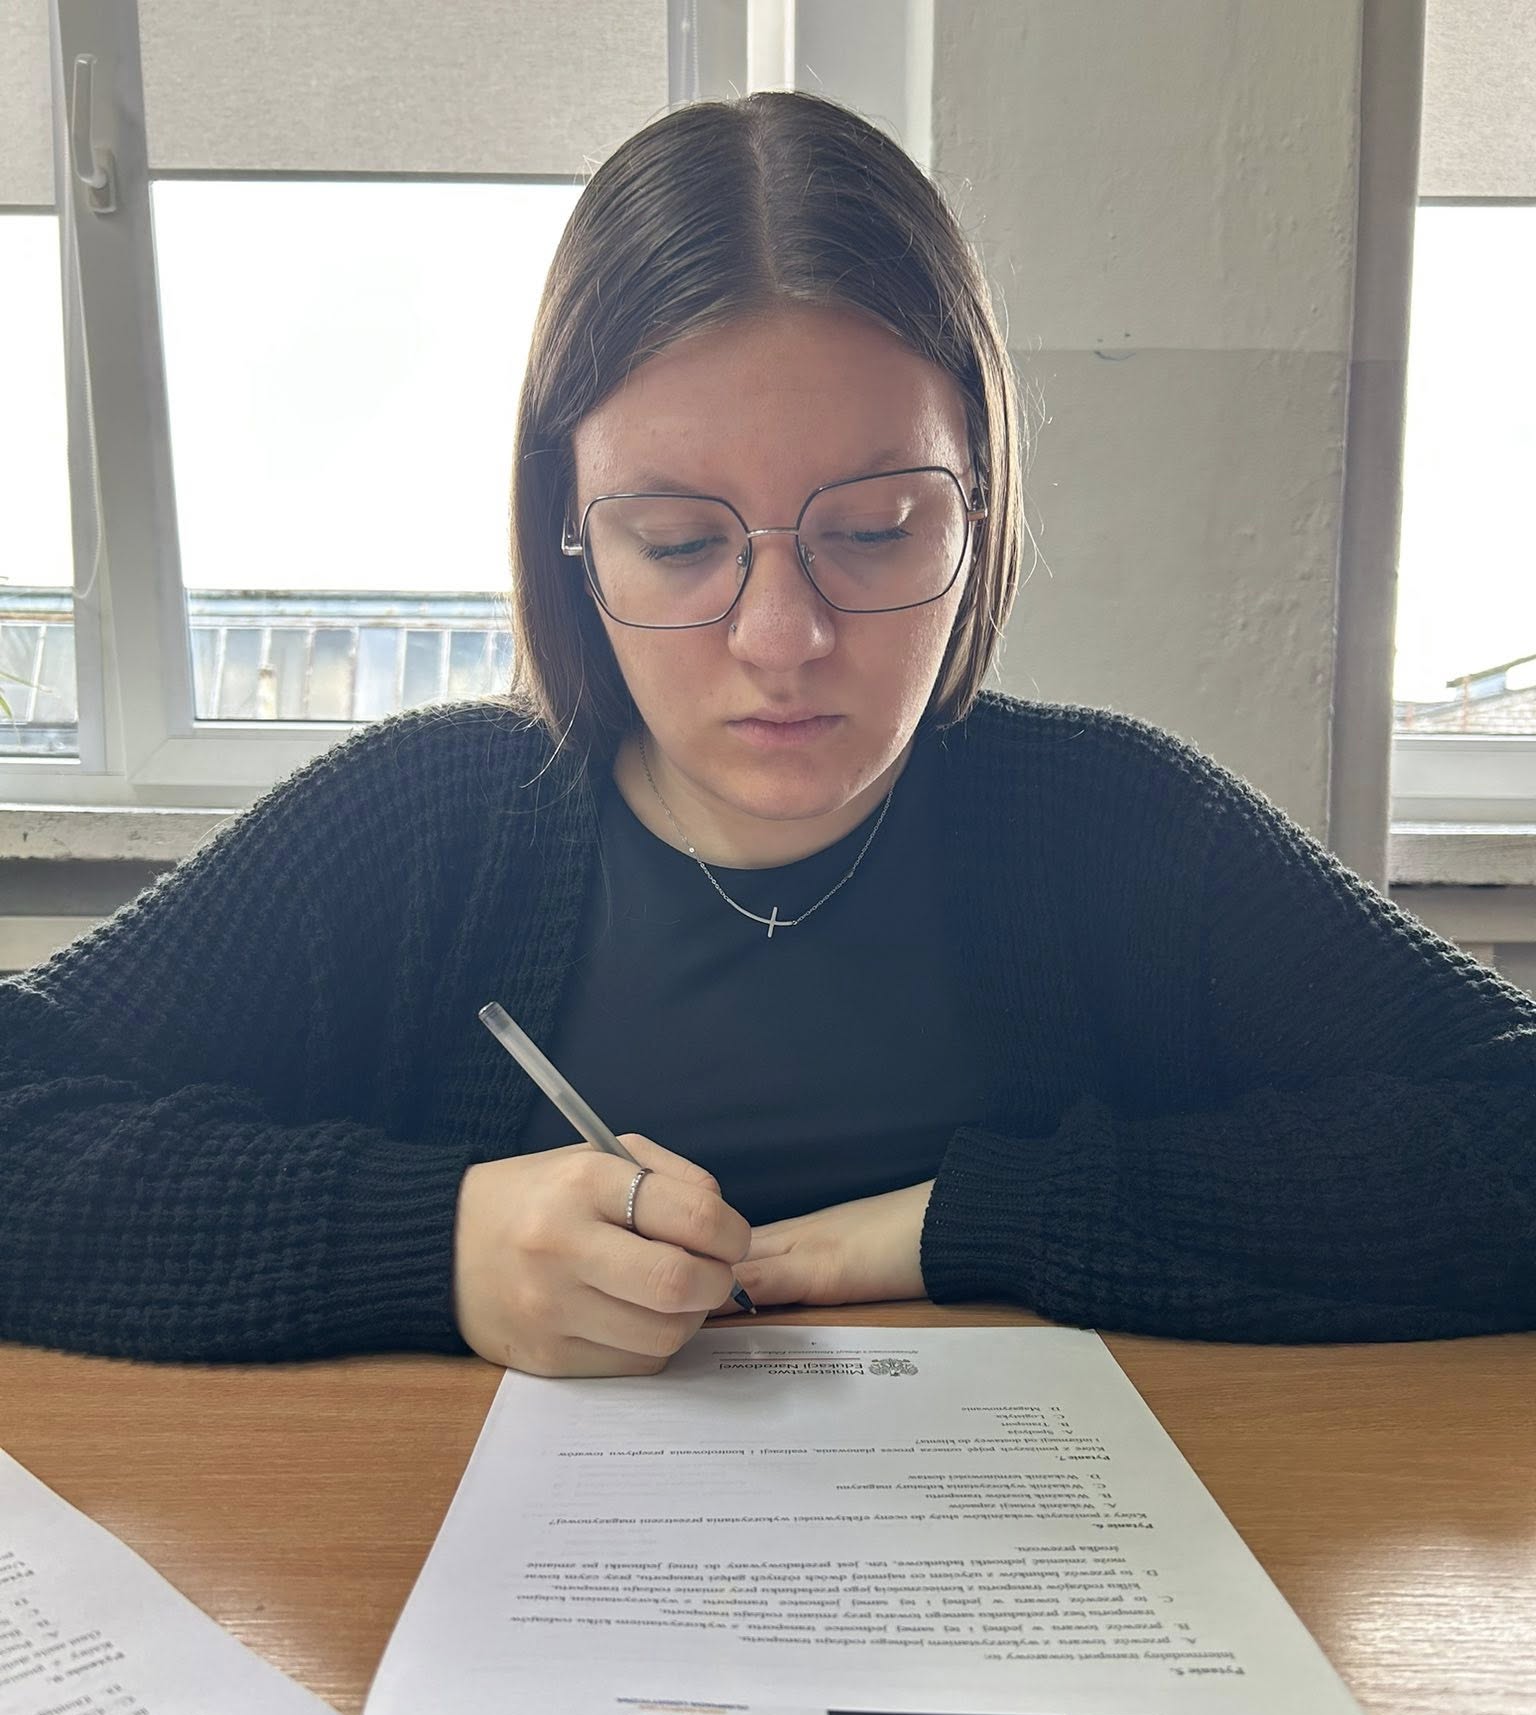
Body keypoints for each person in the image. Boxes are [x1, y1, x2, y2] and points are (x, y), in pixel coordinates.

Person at [3, 90, 1535, 1376]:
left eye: (874, 530)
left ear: (980, 506)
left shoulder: (1119, 829)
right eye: (679, 544)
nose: (782, 638)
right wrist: (431, 1247)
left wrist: (975, 1224)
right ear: (570, 536)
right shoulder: (421, 826)